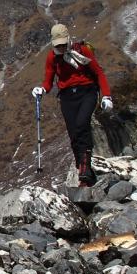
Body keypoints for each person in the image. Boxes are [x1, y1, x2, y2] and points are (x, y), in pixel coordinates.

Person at [32, 24, 112, 186]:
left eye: (63, 44)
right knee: (74, 133)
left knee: (82, 124)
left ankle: (85, 169)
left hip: (87, 91)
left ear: (68, 39)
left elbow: (99, 73)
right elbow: (48, 81)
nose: (61, 48)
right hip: (67, 96)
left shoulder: (83, 51)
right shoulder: (52, 58)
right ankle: (82, 168)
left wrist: (106, 96)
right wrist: (41, 89)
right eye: (58, 45)